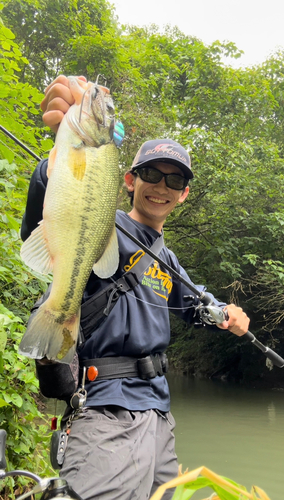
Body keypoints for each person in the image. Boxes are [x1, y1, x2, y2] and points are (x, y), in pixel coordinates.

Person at [21, 75, 250, 500]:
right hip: (105, 410)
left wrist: (225, 313)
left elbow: (195, 301)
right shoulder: (106, 225)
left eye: (174, 180)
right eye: (151, 173)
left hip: (160, 417)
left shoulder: (166, 257)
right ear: (129, 180)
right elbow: (52, 205)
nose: (162, 186)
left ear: (183, 195)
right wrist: (55, 155)